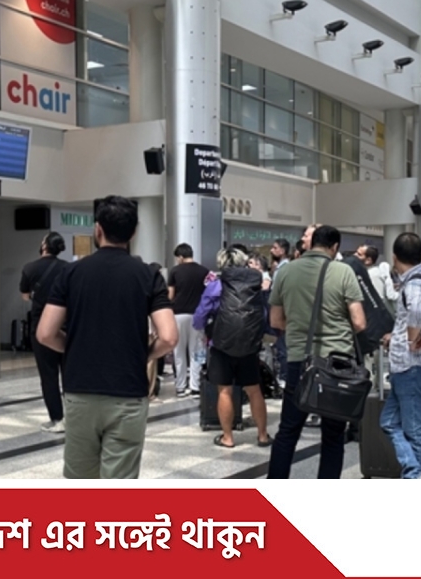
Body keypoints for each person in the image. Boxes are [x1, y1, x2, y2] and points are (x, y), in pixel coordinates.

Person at [37, 196, 178, 479]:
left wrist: (73, 348)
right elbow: (169, 337)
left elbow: (45, 333)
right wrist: (144, 354)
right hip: (128, 391)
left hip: (80, 390)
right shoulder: (148, 275)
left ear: (97, 229)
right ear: (133, 232)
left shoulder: (71, 272)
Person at [268, 225, 366, 478]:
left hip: (299, 361)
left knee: (288, 431)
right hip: (337, 364)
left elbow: (276, 320)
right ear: (334, 247)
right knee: (333, 435)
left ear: (311, 244)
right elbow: (359, 322)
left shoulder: (286, 271)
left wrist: (298, 326)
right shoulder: (343, 271)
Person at [193, 248, 271, 449]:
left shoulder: (216, 286)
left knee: (225, 391)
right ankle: (263, 435)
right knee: (254, 390)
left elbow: (200, 316)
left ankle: (227, 437)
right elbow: (263, 314)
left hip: (221, 345)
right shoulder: (254, 286)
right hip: (249, 346)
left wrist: (203, 328)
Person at [379, 233, 421, 479]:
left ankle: (418, 479)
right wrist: (400, 336)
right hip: (411, 367)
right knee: (389, 422)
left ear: (394, 257)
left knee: (416, 432)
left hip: (413, 366)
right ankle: (416, 473)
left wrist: (410, 339)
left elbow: (416, 310)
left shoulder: (414, 284)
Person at [20, 232, 70, 433]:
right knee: (69, 374)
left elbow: (25, 296)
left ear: (44, 245)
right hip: (67, 326)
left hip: (41, 327)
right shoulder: (68, 268)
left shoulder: (30, 268)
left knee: (48, 375)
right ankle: (74, 417)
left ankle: (57, 419)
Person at [167, 243, 211, 398]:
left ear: (180, 257)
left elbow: (170, 296)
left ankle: (180, 387)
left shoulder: (175, 271)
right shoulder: (204, 271)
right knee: (197, 351)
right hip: (198, 315)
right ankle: (195, 386)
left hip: (178, 314)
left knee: (178, 352)